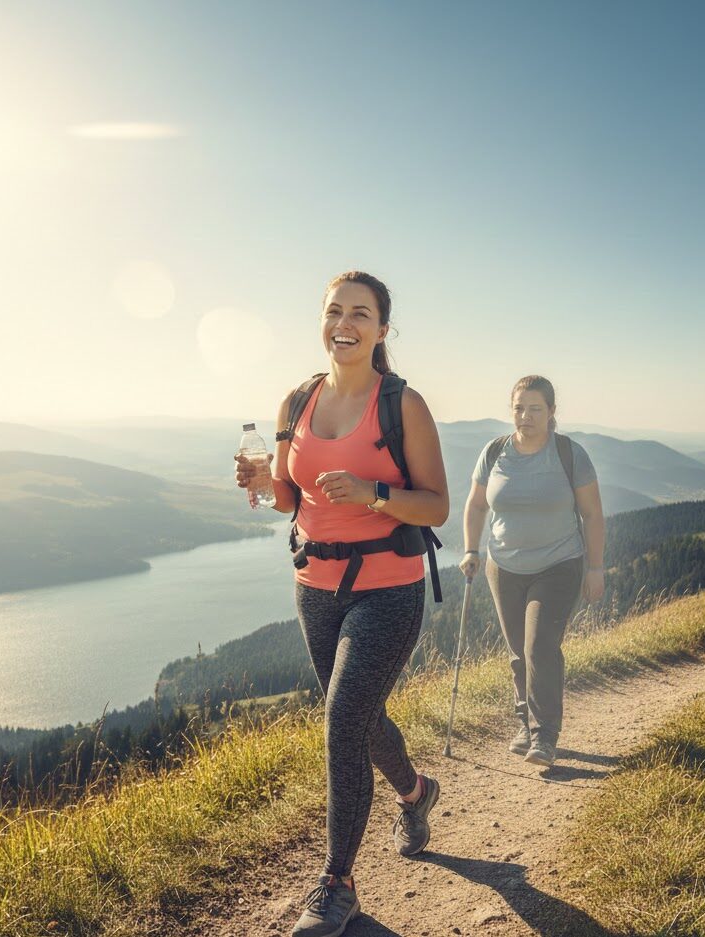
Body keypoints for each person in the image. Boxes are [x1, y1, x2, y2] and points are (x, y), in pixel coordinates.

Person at [235, 271, 449, 937]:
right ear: (322, 321)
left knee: (341, 721)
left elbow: (435, 504)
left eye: (361, 313)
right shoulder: (295, 400)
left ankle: (337, 882)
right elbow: (290, 500)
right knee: (353, 716)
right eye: (334, 311)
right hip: (315, 589)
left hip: (388, 587)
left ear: (383, 329)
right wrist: (261, 482)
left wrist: (375, 493)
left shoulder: (401, 404)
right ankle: (415, 791)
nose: (344, 323)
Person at [460, 375, 605, 768]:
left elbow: (591, 514)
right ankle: (525, 724)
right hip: (503, 567)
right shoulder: (494, 453)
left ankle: (545, 736)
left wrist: (595, 567)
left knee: (539, 644)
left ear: (552, 412)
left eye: (535, 408)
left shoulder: (568, 454)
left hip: (559, 564)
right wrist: (471, 549)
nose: (525, 416)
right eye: (519, 408)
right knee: (517, 653)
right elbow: (475, 506)